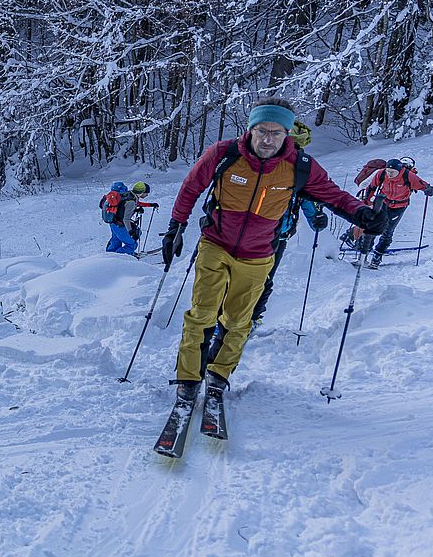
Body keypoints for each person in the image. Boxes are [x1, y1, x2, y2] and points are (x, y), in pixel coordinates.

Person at [161, 98, 388, 407]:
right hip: (215, 244)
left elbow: (333, 195)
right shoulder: (223, 155)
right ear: (251, 129)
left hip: (258, 254)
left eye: (276, 133)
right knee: (202, 313)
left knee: (239, 320)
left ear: (287, 133)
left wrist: (362, 214)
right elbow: (190, 188)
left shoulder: (300, 167)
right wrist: (176, 226)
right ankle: (188, 379)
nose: (267, 139)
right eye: (262, 131)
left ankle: (218, 374)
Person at [198, 120, 329, 368]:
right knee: (246, 279)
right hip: (266, 235)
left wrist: (316, 219)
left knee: (257, 280)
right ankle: (232, 320)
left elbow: (308, 199)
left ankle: (244, 319)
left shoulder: (298, 171)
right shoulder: (266, 164)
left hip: (275, 235)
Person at [359, 158, 433, 269]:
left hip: (398, 206)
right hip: (382, 202)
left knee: (387, 231)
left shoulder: (409, 176)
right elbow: (371, 187)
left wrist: (429, 190)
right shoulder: (381, 174)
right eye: (388, 171)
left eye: (392, 172)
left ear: (399, 171)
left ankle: (376, 258)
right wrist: (367, 200)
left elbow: (424, 185)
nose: (389, 174)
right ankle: (363, 256)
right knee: (372, 227)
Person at [101, 182, 137, 255]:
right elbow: (124, 214)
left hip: (112, 222)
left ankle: (109, 255)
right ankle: (119, 257)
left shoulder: (110, 198)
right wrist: (130, 231)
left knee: (116, 240)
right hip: (119, 224)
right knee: (131, 244)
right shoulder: (123, 198)